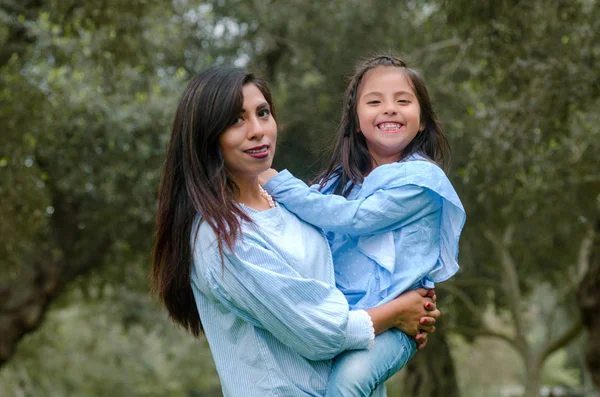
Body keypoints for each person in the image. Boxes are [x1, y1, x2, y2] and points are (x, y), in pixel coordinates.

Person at [151, 66, 441, 397]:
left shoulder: (288, 203)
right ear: (206, 135)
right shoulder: (220, 237)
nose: (257, 130)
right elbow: (319, 333)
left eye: (263, 113)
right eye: (236, 120)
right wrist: (397, 313)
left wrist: (411, 298)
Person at [259, 54, 466, 396]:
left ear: (423, 120)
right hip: (341, 317)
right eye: (374, 101)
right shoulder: (338, 182)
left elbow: (355, 218)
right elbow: (304, 221)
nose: (390, 109)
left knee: (350, 382)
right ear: (356, 122)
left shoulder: (421, 182)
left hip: (395, 325)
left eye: (403, 100)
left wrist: (279, 183)